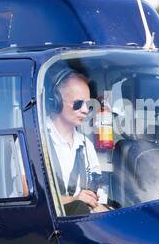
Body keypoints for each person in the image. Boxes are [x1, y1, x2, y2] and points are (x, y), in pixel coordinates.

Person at [45, 68, 110, 214]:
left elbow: (98, 192)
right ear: (56, 101)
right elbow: (29, 196)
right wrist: (75, 200)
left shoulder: (86, 145)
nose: (85, 110)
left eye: (87, 104)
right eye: (78, 103)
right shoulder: (35, 140)